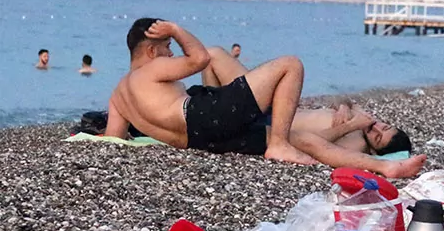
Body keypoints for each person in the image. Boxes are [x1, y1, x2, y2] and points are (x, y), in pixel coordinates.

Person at [105, 18, 314, 165]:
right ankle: (279, 145)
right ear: (151, 50)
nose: (170, 53)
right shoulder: (152, 68)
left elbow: (113, 139)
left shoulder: (117, 96)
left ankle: (343, 159)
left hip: (197, 141)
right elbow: (200, 58)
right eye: (167, 46)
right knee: (291, 65)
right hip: (204, 116)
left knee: (300, 139)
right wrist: (176, 30)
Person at [197, 46, 426, 178]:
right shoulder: (365, 119)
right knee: (210, 60)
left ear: (375, 151)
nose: (375, 128)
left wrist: (351, 126)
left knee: (214, 57)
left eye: (377, 136)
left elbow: (313, 143)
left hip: (266, 121)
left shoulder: (356, 142)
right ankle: (215, 104)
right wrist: (345, 106)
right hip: (273, 106)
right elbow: (340, 97)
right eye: (383, 126)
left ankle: (212, 112)